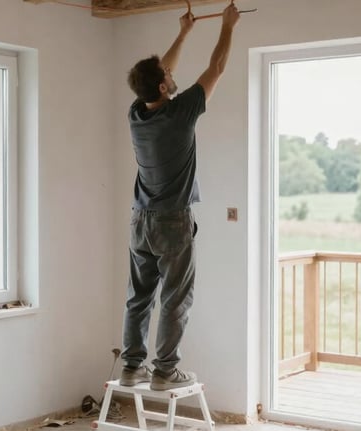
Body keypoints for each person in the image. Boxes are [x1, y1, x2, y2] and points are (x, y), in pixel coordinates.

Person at [119, 2, 240, 391]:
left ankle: (131, 367)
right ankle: (165, 372)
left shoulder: (137, 114)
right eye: (168, 76)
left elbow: (159, 72)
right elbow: (216, 68)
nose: (173, 75)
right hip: (172, 222)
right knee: (175, 298)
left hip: (140, 220)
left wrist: (184, 32)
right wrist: (228, 26)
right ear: (161, 87)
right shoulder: (181, 112)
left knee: (139, 297)